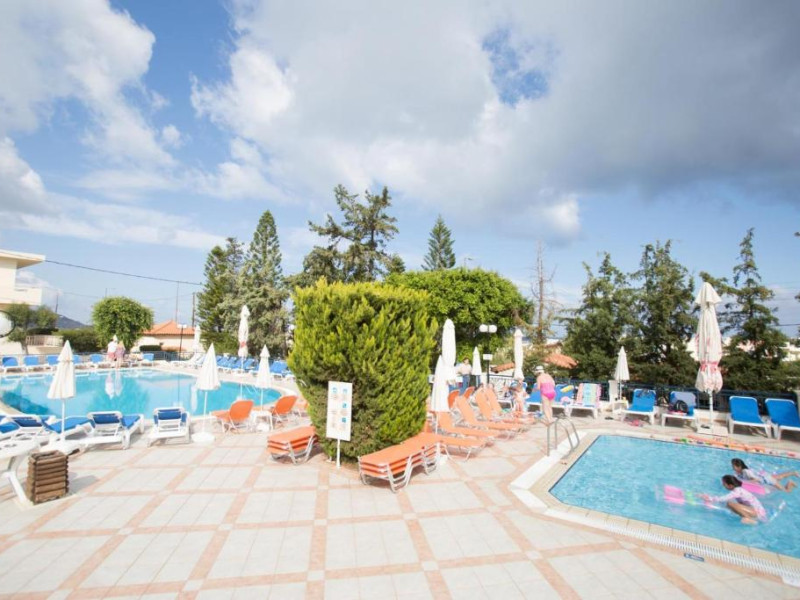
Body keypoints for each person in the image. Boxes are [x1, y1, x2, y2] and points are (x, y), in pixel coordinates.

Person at [702, 474, 767, 524]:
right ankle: (748, 517)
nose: (723, 485)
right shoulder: (739, 489)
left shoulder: (737, 491)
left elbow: (724, 498)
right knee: (728, 506)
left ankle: (749, 519)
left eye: (724, 484)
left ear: (730, 485)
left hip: (757, 513)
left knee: (729, 503)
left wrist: (710, 498)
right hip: (757, 511)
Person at [731, 458, 798, 492]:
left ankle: (790, 483)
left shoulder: (746, 471)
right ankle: (793, 473)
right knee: (780, 477)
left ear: (739, 466)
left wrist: (746, 483)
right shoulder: (740, 472)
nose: (733, 467)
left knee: (785, 491)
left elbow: (756, 480)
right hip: (765, 477)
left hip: (768, 480)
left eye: (734, 466)